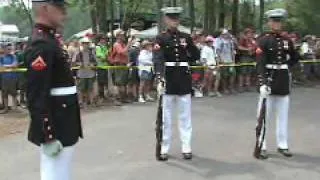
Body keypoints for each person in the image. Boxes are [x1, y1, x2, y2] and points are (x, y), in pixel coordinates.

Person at [25, 1, 83, 179]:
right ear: (45, 8)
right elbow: (36, 95)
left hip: (63, 118)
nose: (64, 13)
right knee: (54, 174)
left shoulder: (50, 40)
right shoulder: (41, 44)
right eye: (60, 8)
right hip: (56, 123)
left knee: (61, 172)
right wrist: (47, 134)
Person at [154, 7, 200, 161]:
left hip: (183, 79)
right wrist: (160, 77)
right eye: (171, 18)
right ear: (166, 20)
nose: (174, 21)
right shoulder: (161, 38)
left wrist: (190, 46)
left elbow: (195, 56)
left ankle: (186, 147)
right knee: (166, 117)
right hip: (169, 78)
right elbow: (158, 59)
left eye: (176, 18)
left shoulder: (185, 37)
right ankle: (164, 147)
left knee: (185, 116)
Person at [256, 8, 298, 159]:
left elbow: (295, 57)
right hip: (269, 79)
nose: (276, 24)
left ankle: (283, 144)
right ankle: (262, 145)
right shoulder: (263, 39)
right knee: (264, 116)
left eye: (279, 21)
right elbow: (260, 63)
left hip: (283, 81)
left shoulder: (287, 41)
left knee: (283, 116)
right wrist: (262, 82)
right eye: (274, 21)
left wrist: (287, 63)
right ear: (269, 22)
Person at [76, 37, 97, 108]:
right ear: (82, 44)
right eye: (84, 44)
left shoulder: (91, 53)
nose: (86, 45)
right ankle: (81, 102)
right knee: (81, 89)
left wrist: (92, 64)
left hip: (90, 73)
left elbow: (95, 62)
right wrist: (79, 64)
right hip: (82, 74)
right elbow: (75, 62)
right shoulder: (79, 53)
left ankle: (91, 102)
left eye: (87, 44)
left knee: (90, 88)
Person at [215, 29, 237, 94]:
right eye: (224, 34)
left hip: (230, 60)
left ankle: (231, 88)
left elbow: (232, 51)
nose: (226, 35)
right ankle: (225, 89)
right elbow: (218, 51)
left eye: (226, 34)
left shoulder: (230, 41)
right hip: (223, 61)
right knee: (224, 75)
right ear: (221, 34)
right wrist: (220, 60)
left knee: (233, 74)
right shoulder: (219, 41)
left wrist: (233, 60)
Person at [0, 44, 19, 114]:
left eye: (10, 49)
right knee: (4, 94)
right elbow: (1, 67)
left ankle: (16, 108)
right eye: (8, 49)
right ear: (4, 50)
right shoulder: (1, 57)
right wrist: (10, 66)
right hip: (4, 78)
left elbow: (15, 65)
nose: (9, 50)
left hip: (12, 78)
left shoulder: (14, 56)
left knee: (14, 93)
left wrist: (6, 66)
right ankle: (5, 108)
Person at [238, 28, 257, 92]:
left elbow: (255, 47)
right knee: (243, 72)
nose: (251, 34)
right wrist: (247, 49)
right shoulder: (243, 39)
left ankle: (247, 86)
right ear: (246, 33)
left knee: (249, 72)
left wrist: (254, 49)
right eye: (249, 33)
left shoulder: (252, 40)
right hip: (244, 57)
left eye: (251, 33)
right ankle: (240, 86)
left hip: (251, 57)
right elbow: (239, 47)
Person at [95, 36, 109, 102]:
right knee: (100, 83)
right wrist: (105, 57)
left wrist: (106, 57)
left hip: (105, 66)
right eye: (103, 39)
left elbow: (107, 55)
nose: (104, 40)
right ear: (100, 40)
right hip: (100, 67)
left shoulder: (105, 46)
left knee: (105, 82)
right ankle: (101, 96)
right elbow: (101, 57)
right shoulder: (98, 47)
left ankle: (104, 96)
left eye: (104, 39)